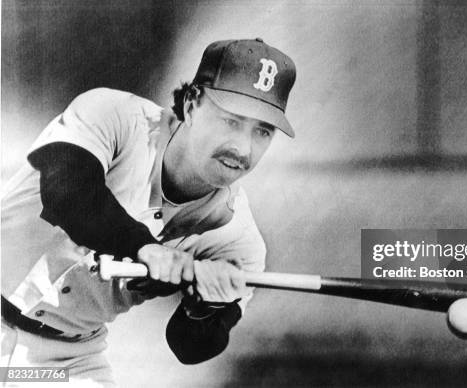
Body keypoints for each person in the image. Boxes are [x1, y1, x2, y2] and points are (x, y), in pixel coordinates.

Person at [1, 38, 297, 387]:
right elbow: (68, 192)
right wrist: (145, 248)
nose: (243, 148)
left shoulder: (238, 242)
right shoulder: (114, 115)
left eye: (262, 131)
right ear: (191, 104)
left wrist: (207, 306)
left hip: (65, 362)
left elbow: (189, 346)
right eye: (231, 122)